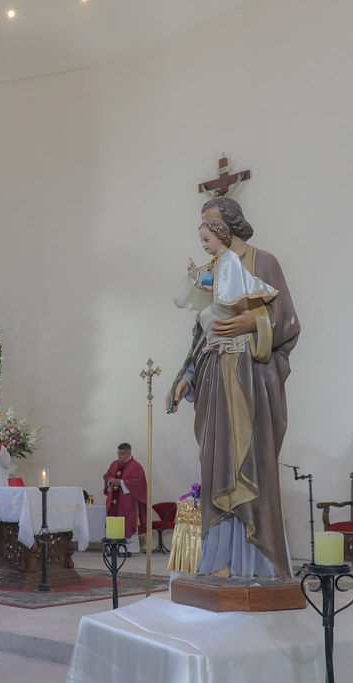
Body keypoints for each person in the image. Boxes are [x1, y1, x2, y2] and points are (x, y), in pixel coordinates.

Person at [167, 196, 300, 580]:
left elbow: (287, 323)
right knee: (216, 467)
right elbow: (202, 335)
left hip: (250, 382)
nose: (205, 236)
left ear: (229, 224)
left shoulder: (263, 262)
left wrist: (250, 324)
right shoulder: (211, 270)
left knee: (249, 467)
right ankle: (220, 560)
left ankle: (256, 562)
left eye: (209, 226)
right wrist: (187, 377)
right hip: (213, 381)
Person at [177, 219, 278, 352]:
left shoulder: (229, 258)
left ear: (220, 238)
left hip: (233, 304)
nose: (203, 245)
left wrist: (213, 289)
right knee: (205, 315)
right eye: (202, 241)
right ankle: (217, 342)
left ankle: (223, 342)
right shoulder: (217, 260)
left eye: (206, 240)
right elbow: (214, 283)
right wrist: (196, 274)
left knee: (207, 315)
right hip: (221, 302)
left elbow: (233, 284)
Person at [103, 443, 147, 552]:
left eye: (122, 454)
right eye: (118, 453)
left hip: (128, 502)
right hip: (114, 499)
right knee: (113, 521)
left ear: (129, 453)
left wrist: (121, 482)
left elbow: (138, 482)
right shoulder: (114, 464)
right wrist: (110, 481)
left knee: (127, 523)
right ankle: (113, 549)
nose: (119, 456)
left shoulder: (136, 466)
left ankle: (128, 549)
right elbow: (107, 475)